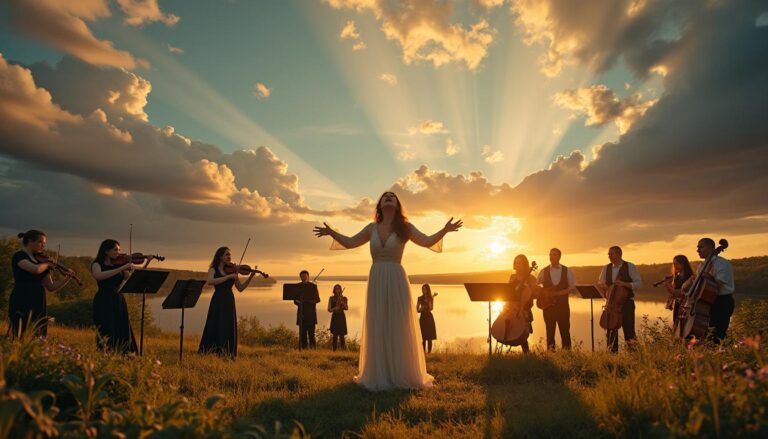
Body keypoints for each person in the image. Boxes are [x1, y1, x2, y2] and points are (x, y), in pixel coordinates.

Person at [314, 191, 462, 390]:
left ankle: (401, 373)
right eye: (385, 196)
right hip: (376, 278)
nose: (389, 197)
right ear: (379, 205)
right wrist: (332, 233)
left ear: (397, 204)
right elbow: (349, 242)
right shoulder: (371, 228)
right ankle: (379, 373)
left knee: (398, 323)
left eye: (393, 196)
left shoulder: (405, 228)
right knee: (379, 323)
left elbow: (427, 241)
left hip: (396, 278)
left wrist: (444, 230)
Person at [9, 230, 74, 337]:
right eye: (40, 242)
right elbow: (35, 269)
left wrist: (67, 278)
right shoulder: (19, 256)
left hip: (38, 300)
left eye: (44, 243)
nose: (43, 246)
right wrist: (47, 264)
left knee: (38, 333)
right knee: (21, 332)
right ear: (30, 241)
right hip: (21, 297)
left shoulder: (41, 262)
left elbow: (51, 287)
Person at [198, 247, 256, 357]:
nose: (229, 257)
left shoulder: (233, 270)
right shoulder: (213, 269)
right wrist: (228, 276)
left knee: (228, 326)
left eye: (230, 255)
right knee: (214, 324)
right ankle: (210, 352)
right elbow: (210, 281)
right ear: (220, 256)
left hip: (229, 300)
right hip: (218, 300)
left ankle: (227, 354)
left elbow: (240, 288)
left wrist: (250, 277)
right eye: (227, 255)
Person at [91, 239, 138, 353]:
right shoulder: (97, 264)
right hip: (104, 299)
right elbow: (99, 276)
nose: (118, 252)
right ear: (106, 251)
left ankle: (124, 355)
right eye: (115, 249)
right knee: (106, 329)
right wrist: (121, 268)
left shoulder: (119, 264)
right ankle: (105, 354)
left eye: (119, 250)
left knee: (121, 328)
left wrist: (128, 272)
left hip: (118, 299)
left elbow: (124, 283)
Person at [597, 246, 643, 353]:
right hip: (612, 304)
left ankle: (634, 357)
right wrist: (603, 285)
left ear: (619, 254)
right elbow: (600, 281)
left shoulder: (630, 267)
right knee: (611, 332)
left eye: (611, 254)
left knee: (629, 331)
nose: (609, 256)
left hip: (627, 303)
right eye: (608, 254)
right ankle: (612, 357)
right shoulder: (606, 268)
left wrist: (625, 284)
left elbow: (639, 284)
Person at [695, 238, 735, 343]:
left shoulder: (722, 264)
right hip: (706, 302)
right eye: (697, 247)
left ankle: (719, 356)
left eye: (700, 247)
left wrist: (709, 277)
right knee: (705, 335)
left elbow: (721, 282)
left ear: (710, 248)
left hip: (721, 302)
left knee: (717, 335)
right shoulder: (701, 266)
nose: (697, 250)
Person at [536, 248, 576, 350]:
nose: (552, 257)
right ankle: (551, 357)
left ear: (559, 257)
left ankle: (567, 356)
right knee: (550, 333)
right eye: (550, 255)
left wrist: (560, 293)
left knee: (565, 332)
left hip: (563, 307)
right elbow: (536, 286)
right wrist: (545, 292)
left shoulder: (567, 271)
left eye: (554, 255)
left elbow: (572, 287)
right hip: (548, 307)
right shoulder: (544, 271)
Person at [504, 254, 538, 354]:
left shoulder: (531, 278)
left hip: (524, 307)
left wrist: (529, 288)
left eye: (520, 263)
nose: (518, 265)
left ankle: (526, 354)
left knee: (522, 331)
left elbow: (535, 294)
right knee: (508, 326)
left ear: (525, 264)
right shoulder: (512, 277)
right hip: (512, 307)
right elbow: (509, 293)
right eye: (516, 263)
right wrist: (506, 306)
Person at [662, 255, 695, 330]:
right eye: (674, 264)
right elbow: (674, 293)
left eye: (677, 264)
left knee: (682, 327)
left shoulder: (689, 277)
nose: (675, 266)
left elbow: (679, 293)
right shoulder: (677, 276)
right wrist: (670, 301)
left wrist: (667, 285)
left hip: (685, 306)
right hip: (678, 305)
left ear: (683, 264)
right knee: (676, 326)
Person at [295, 270, 320, 349]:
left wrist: (306, 301)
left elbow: (317, 300)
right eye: (302, 276)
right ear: (300, 277)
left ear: (308, 277)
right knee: (302, 334)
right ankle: (304, 349)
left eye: (305, 276)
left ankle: (313, 350)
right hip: (301, 312)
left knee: (311, 334)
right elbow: (295, 301)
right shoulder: (298, 286)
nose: (303, 278)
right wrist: (298, 302)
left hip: (311, 314)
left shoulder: (313, 286)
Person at [327, 284, 348, 351]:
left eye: (339, 289)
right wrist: (335, 308)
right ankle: (334, 350)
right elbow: (329, 309)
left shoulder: (344, 298)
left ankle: (343, 350)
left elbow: (346, 308)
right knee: (335, 335)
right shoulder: (331, 298)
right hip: (335, 316)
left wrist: (342, 302)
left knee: (342, 335)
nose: (337, 290)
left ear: (340, 290)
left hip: (341, 316)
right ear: (334, 290)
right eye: (336, 289)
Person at [417, 284, 437, 354]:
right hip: (422, 318)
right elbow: (417, 310)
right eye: (423, 289)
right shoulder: (419, 298)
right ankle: (423, 353)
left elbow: (431, 308)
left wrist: (430, 301)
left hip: (429, 318)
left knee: (429, 337)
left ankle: (429, 353)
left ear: (428, 290)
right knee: (423, 337)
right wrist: (421, 308)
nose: (423, 290)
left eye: (425, 289)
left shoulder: (430, 298)